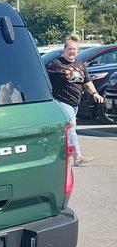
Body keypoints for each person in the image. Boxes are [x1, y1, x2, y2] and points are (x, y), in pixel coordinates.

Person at [45, 35, 103, 166]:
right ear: (64, 49)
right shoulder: (55, 64)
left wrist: (95, 93)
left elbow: (87, 81)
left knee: (64, 130)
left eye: (75, 49)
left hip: (75, 103)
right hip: (62, 102)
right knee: (71, 128)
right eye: (70, 49)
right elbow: (42, 76)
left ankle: (56, 154)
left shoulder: (80, 64)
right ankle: (78, 157)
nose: (72, 52)